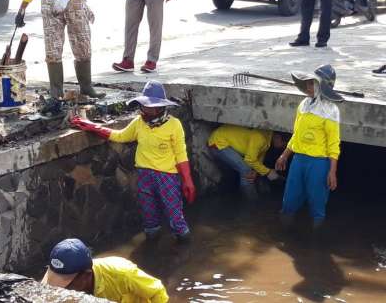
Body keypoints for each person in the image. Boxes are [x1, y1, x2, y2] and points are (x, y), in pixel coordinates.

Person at [71, 81, 196, 242]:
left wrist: (188, 181)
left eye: (151, 106)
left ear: (161, 107)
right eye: (144, 105)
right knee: (149, 215)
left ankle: (184, 243)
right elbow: (120, 136)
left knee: (174, 214)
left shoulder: (174, 125)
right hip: (144, 174)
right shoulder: (139, 123)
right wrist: (93, 127)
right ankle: (153, 242)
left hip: (167, 177)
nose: (146, 109)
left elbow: (181, 154)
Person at [14, 0, 104, 110]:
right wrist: (22, 8)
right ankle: (56, 92)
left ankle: (86, 86)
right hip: (49, 1)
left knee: (81, 43)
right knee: (52, 48)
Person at [275, 65, 342, 231]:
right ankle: (283, 235)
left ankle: (316, 241)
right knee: (289, 200)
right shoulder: (303, 105)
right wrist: (284, 155)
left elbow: (334, 144)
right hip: (299, 160)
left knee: (317, 203)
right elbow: (296, 134)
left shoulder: (331, 110)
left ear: (323, 87)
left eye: (313, 84)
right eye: (308, 83)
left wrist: (332, 171)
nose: (308, 87)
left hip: (319, 163)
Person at [42, 238, 169, 302]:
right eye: (55, 280)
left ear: (86, 275)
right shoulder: (53, 278)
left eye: (66, 284)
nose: (60, 289)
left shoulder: (122, 273)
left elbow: (158, 292)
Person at [208, 125, 289, 200]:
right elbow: (250, 159)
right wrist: (268, 172)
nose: (282, 147)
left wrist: (256, 171)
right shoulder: (260, 138)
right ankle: (250, 201)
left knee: (250, 170)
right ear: (278, 137)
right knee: (246, 170)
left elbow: (259, 155)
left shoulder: (267, 136)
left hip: (227, 141)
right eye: (283, 144)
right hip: (218, 142)